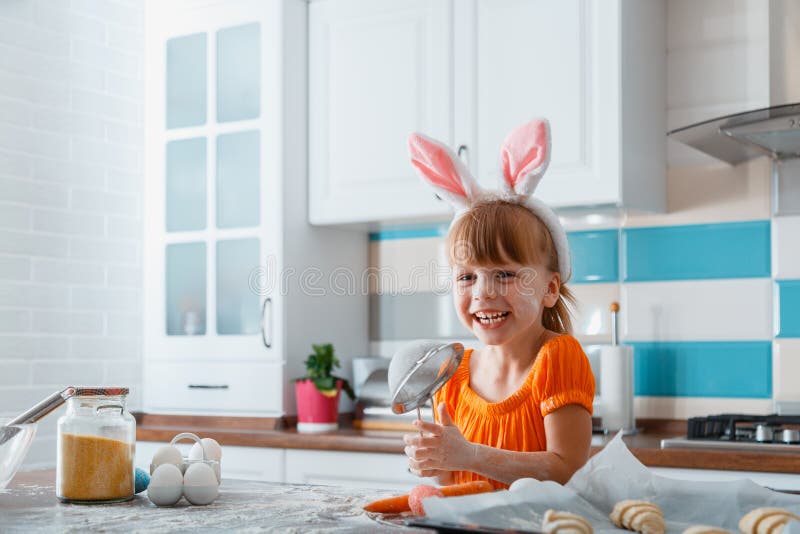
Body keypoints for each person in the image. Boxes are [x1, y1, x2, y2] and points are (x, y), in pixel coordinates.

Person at [403, 119, 595, 490]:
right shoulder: (452, 373)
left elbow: (567, 469)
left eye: (504, 275)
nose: (482, 293)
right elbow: (449, 482)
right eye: (466, 277)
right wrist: (434, 459)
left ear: (550, 288)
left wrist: (468, 454)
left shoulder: (557, 358)